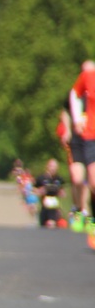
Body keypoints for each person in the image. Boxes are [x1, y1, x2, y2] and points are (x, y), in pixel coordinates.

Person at [69, 60, 95, 240]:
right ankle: (81, 211)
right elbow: (73, 95)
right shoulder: (87, 77)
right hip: (87, 136)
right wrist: (77, 119)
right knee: (85, 180)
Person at [58, 92, 89, 231]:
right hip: (77, 141)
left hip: (92, 140)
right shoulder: (76, 92)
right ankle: (78, 209)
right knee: (77, 179)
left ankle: (86, 213)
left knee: (90, 181)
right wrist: (67, 131)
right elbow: (65, 111)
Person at [33, 158, 65, 228]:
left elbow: (62, 191)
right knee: (43, 226)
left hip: (55, 206)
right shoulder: (41, 178)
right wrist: (39, 191)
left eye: (55, 167)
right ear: (47, 166)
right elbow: (34, 189)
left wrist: (61, 193)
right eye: (51, 166)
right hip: (44, 206)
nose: (53, 169)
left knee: (51, 224)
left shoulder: (59, 179)